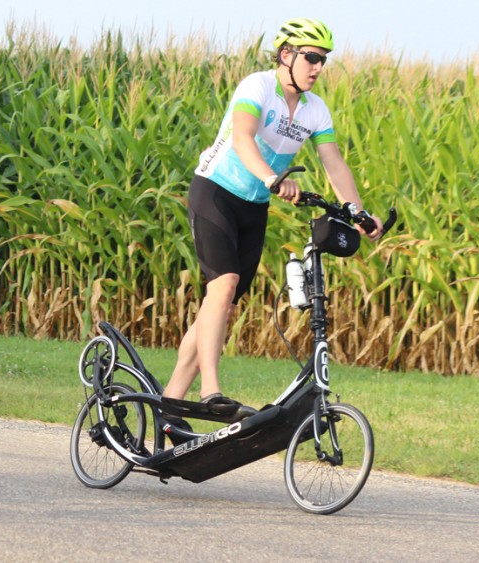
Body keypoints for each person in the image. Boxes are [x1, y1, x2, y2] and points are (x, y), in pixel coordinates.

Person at [160, 17, 383, 415]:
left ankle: (168, 405)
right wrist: (271, 177)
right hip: (215, 192)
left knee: (223, 305)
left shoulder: (315, 110)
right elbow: (243, 136)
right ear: (286, 55)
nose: (317, 67)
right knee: (223, 285)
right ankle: (210, 391)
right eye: (311, 57)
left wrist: (359, 213)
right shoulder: (258, 86)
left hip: (253, 206)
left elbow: (333, 163)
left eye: (323, 60)